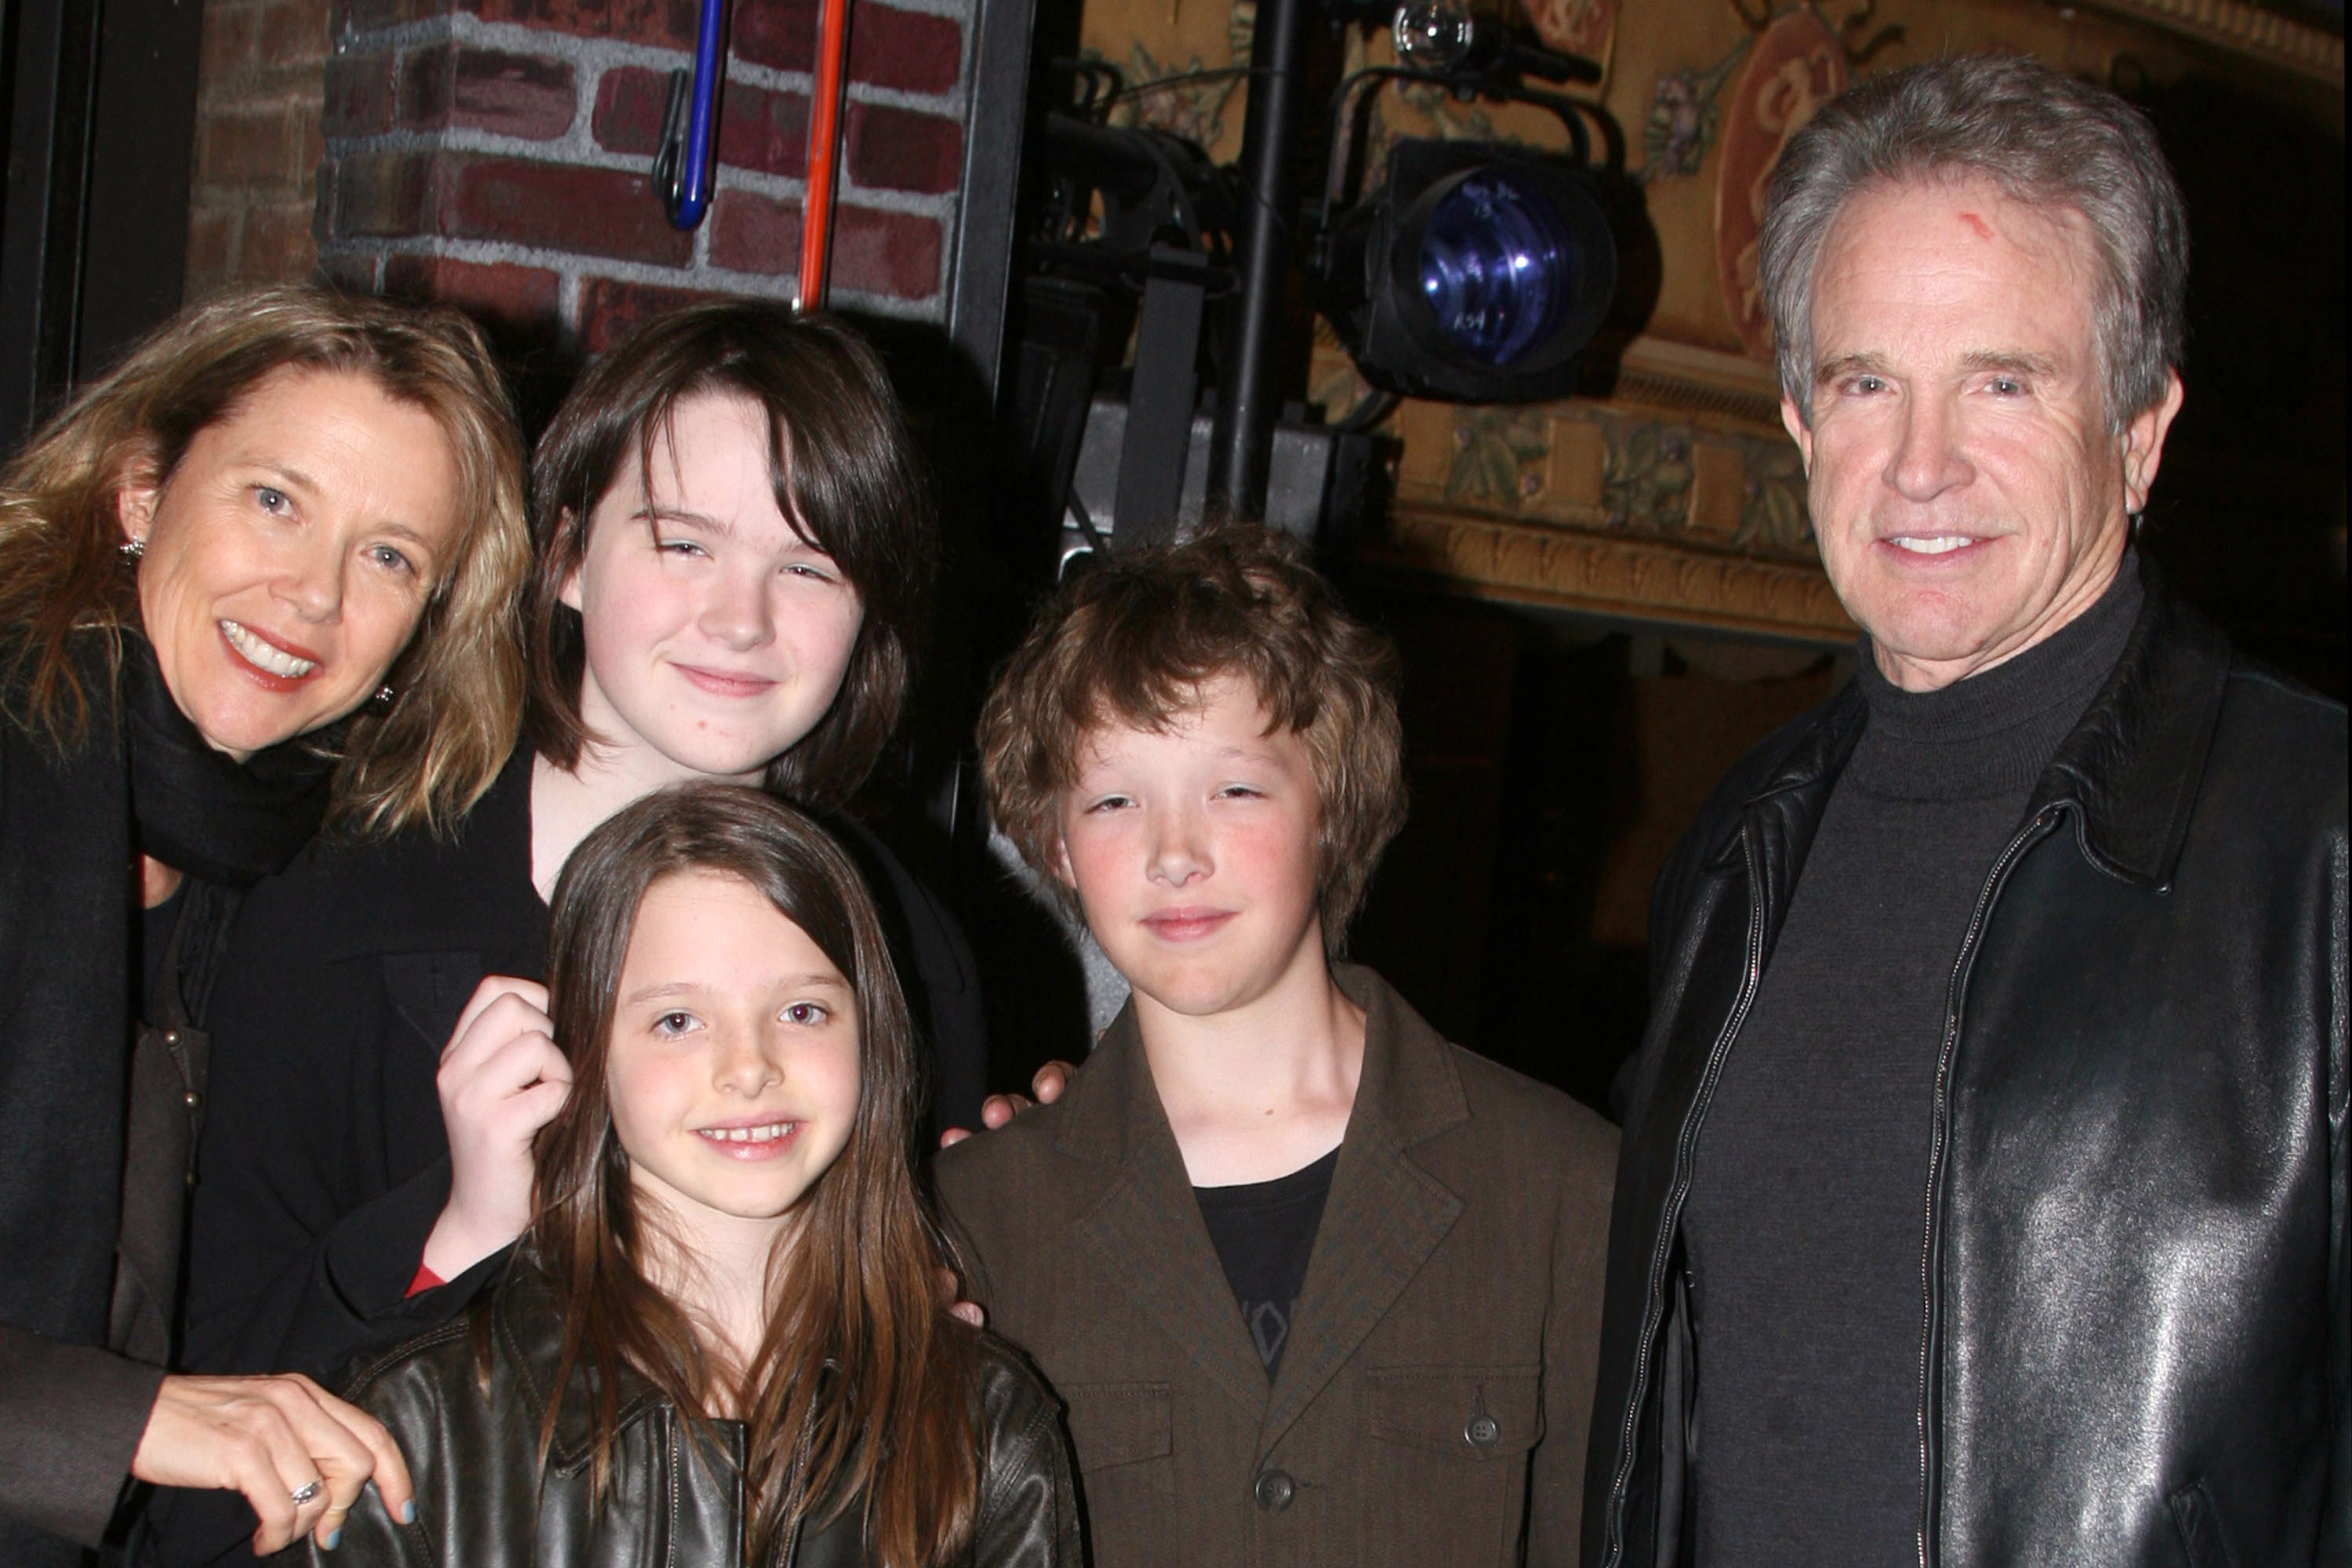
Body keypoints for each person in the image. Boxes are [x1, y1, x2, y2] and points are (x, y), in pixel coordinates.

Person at [1582, 53, 2348, 1568]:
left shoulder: (2322, 850)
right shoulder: (1737, 852)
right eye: (1870, 383)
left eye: (2004, 382)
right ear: (1802, 422)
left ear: (2140, 430)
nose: (1921, 467)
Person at [162, 303, 984, 1563]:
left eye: (809, 565)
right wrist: (455, 1237)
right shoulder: (337, 905)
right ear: (566, 556)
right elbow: (191, 1485)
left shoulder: (902, 952)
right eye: (683, 543)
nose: (742, 618)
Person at [934, 524, 1618, 1566]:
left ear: (1333, 808)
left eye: (1236, 789)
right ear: (1059, 847)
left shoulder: (1564, 1186)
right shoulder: (975, 1217)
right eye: (1115, 800)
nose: (1174, 854)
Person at [0, 285, 531, 1563]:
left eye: (390, 555)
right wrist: (119, 1421)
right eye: (275, 500)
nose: (312, 596)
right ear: (138, 493)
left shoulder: (266, 883)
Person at [299, 782, 1078, 1566]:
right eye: (677, 1020)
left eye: (802, 1010)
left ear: (873, 1034)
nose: (748, 1068)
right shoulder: (415, 1426)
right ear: (584, 1051)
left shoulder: (987, 1423)